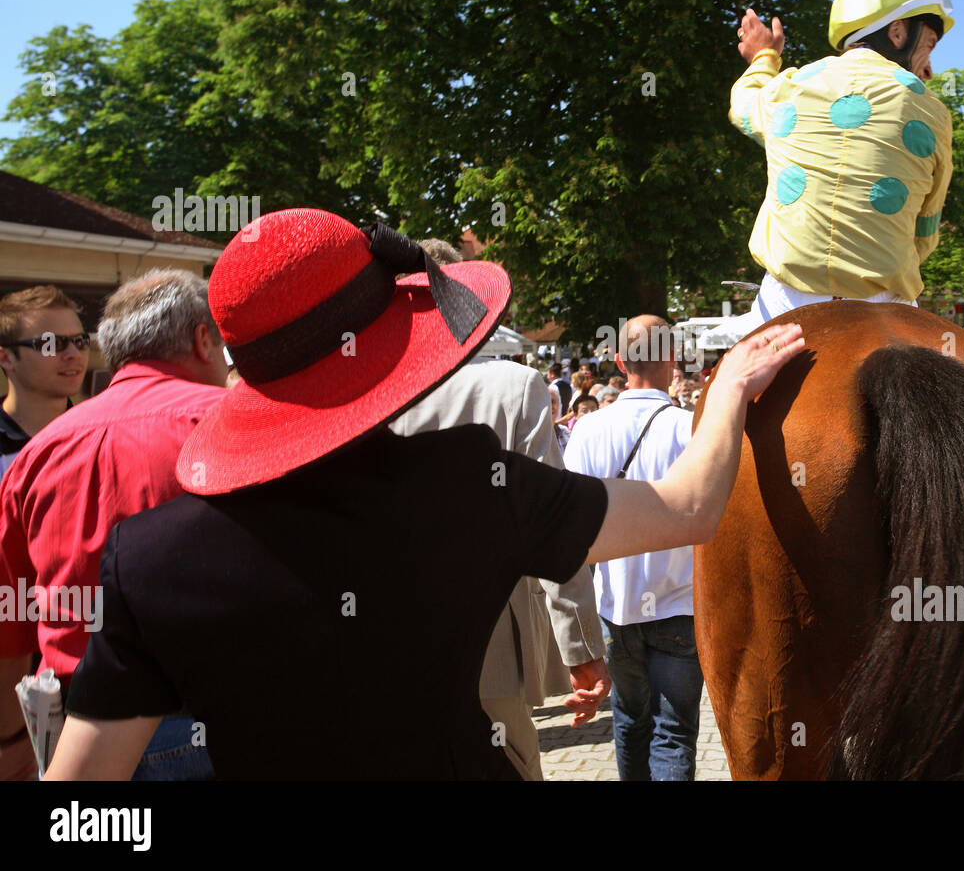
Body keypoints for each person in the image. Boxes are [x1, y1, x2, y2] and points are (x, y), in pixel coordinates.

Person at [41, 209, 807, 779]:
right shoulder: (471, 484)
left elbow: (77, 801)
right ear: (386, 353)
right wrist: (731, 388)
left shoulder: (150, 559)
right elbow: (691, 508)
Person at [391, 247, 611, 782]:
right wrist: (581, 648)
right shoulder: (513, 388)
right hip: (488, 649)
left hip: (386, 648)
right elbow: (552, 525)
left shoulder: (364, 395)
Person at [0, 270, 229, 781]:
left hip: (69, 731)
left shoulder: (34, 456)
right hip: (205, 721)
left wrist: (10, 740)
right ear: (201, 340)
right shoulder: (234, 424)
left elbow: (10, 620)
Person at [723, 0, 953, 334]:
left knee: (730, 389)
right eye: (928, 46)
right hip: (887, 304)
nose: (929, 70)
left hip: (785, 300)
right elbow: (924, 231)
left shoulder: (791, 87)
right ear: (897, 32)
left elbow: (744, 107)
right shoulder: (934, 113)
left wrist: (764, 56)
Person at [563, 314, 701, 781]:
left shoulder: (587, 430)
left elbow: (570, 524)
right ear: (672, 360)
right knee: (674, 733)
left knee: (630, 723)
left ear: (620, 361)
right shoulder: (692, 429)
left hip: (614, 605)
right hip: (679, 604)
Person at [0, 286, 88, 482]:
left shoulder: (97, 436)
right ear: (6, 358)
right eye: (51, 344)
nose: (74, 354)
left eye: (80, 341)